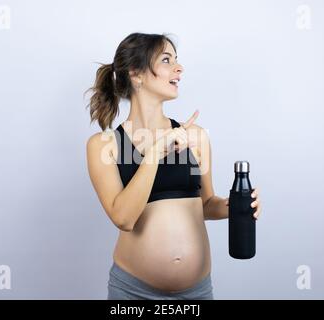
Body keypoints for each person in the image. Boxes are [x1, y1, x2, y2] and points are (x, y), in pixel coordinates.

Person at [85, 32, 262, 300]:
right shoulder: (104, 144)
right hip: (133, 293)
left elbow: (205, 204)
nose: (179, 68)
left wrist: (235, 206)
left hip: (197, 293)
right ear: (137, 74)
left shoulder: (196, 136)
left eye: (177, 60)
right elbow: (123, 218)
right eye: (167, 60)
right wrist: (155, 152)